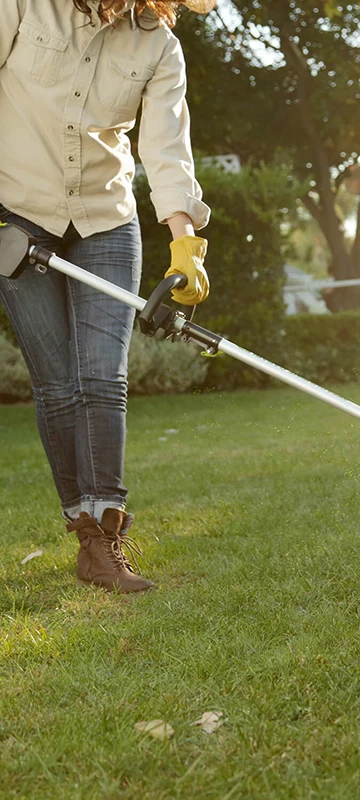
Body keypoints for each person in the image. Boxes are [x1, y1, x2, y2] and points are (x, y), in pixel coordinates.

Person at [0, 0, 215, 593]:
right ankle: (83, 528)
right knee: (58, 384)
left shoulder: (157, 45)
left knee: (102, 378)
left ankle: (106, 540)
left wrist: (185, 244)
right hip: (17, 218)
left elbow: (166, 148)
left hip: (105, 222)